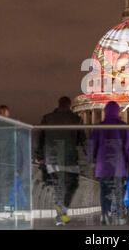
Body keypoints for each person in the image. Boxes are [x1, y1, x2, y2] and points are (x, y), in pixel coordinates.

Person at [35, 96, 85, 226]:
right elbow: (82, 140)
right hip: (69, 158)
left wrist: (39, 156)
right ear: (70, 105)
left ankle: (60, 212)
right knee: (73, 184)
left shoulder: (47, 118)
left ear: (58, 104)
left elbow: (40, 138)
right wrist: (88, 157)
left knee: (57, 185)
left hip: (51, 158)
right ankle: (63, 210)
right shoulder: (77, 119)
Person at [89, 101, 129, 225]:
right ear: (118, 112)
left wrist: (92, 161)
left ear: (105, 112)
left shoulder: (99, 127)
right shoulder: (123, 126)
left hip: (103, 166)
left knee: (105, 190)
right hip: (119, 166)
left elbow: (92, 145)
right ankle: (120, 217)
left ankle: (105, 214)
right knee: (119, 191)